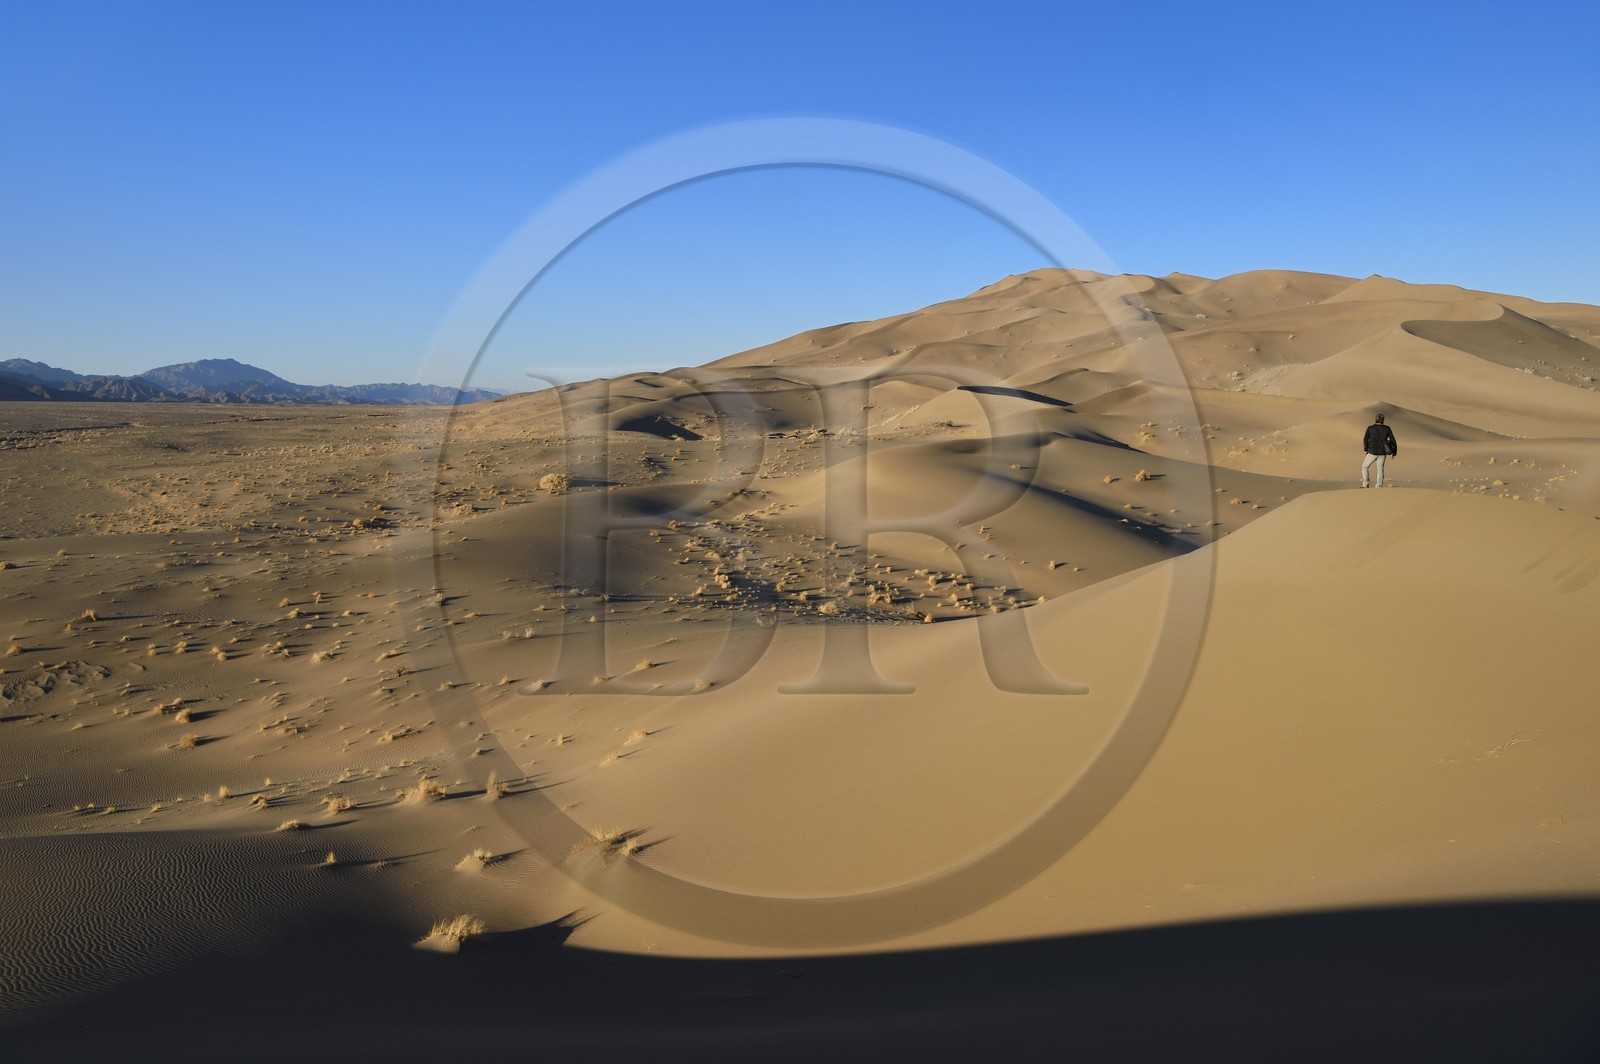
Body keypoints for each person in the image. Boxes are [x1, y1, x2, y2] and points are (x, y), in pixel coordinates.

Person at [1361, 413, 1397, 487]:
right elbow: (1393, 440)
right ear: (1383, 420)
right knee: (1380, 469)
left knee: (1364, 466)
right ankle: (1379, 485)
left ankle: (1365, 483)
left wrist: (1365, 449)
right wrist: (1394, 452)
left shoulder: (1370, 428)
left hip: (1372, 452)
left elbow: (1365, 439)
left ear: (1375, 419)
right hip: (1382, 452)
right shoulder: (1387, 428)